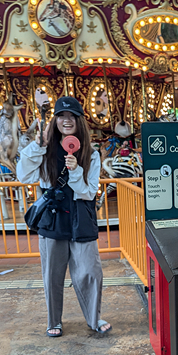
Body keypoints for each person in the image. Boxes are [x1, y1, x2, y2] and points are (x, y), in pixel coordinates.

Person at [17, 96, 111, 338]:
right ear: (55, 121)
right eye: (61, 116)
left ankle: (94, 318)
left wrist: (76, 170)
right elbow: (24, 176)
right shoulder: (44, 150)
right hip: (53, 218)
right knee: (52, 274)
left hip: (81, 218)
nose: (66, 120)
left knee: (90, 271)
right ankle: (54, 321)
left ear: (80, 121)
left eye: (72, 116)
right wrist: (37, 146)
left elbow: (89, 192)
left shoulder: (90, 154)